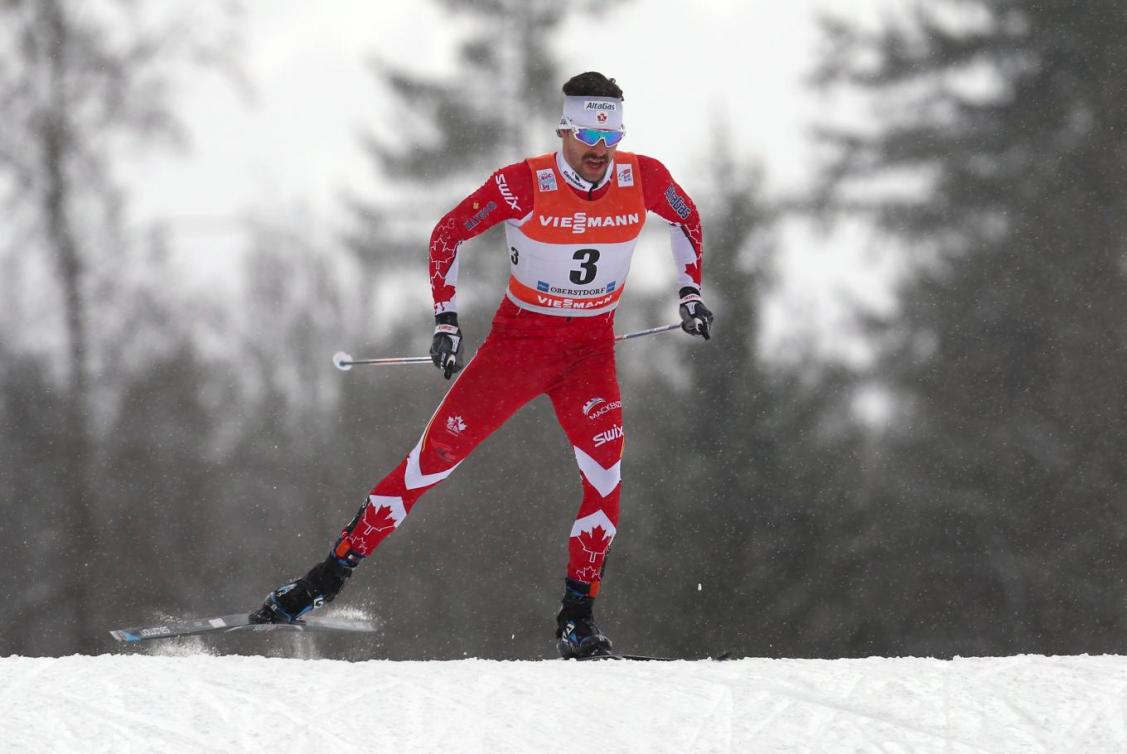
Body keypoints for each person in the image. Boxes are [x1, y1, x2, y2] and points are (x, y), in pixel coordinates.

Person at [252, 71, 713, 659]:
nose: (601, 147)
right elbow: (447, 234)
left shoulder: (642, 176)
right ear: (565, 129)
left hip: (589, 351)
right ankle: (319, 583)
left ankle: (577, 621)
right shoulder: (523, 184)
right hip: (519, 345)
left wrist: (689, 294)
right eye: (590, 132)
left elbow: (687, 218)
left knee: (605, 477)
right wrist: (446, 320)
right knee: (429, 463)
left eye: (612, 132)